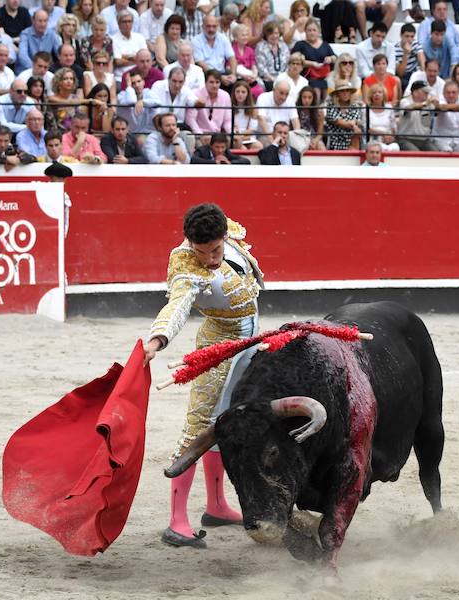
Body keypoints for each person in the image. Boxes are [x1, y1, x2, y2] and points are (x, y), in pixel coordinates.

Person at [144, 203, 261, 549]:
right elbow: (178, 305)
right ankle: (177, 522)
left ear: (224, 236)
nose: (209, 259)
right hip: (218, 347)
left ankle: (217, 506)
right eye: (201, 252)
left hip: (251, 343)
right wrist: (157, 339)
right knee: (197, 428)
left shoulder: (231, 232)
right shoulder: (184, 264)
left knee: (225, 424)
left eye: (215, 250)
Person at [291, 18, 335, 100]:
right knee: (316, 89)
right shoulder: (300, 44)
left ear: (318, 31)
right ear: (305, 32)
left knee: (327, 86)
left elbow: (334, 57)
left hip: (324, 75)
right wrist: (312, 64)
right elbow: (294, 59)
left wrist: (330, 59)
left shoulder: (325, 44)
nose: (312, 33)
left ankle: (324, 109)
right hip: (308, 75)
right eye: (309, 30)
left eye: (314, 30)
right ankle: (315, 110)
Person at [185, 69, 231, 140]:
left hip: (218, 136)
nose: (214, 85)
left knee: (237, 141)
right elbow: (190, 119)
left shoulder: (225, 96)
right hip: (199, 134)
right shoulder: (195, 94)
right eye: (211, 82)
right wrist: (200, 135)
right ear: (205, 82)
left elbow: (227, 120)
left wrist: (232, 133)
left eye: (217, 82)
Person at [432, 80, 459, 152]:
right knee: (447, 151)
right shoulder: (440, 99)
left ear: (458, 93)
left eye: (453, 92)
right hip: (442, 139)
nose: (451, 95)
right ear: (443, 93)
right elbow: (442, 107)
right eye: (448, 92)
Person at [397, 80, 439, 151]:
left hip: (424, 140)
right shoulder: (405, 101)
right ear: (415, 92)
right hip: (406, 139)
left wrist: (437, 104)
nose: (427, 94)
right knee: (415, 153)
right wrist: (425, 104)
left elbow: (437, 111)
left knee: (436, 153)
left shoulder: (428, 104)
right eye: (424, 91)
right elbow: (408, 108)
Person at [112, 9, 148, 83]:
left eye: (129, 21)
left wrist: (125, 57)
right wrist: (137, 60)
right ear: (118, 24)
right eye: (124, 22)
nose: (127, 24)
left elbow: (145, 58)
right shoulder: (113, 40)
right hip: (121, 78)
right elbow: (118, 62)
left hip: (140, 77)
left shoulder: (140, 37)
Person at [324, 81, 362, 150]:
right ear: (337, 94)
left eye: (347, 91)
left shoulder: (355, 106)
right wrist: (353, 126)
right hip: (335, 140)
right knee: (357, 130)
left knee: (358, 133)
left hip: (350, 140)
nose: (345, 93)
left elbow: (355, 121)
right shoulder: (331, 106)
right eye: (342, 91)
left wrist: (353, 125)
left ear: (350, 93)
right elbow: (337, 121)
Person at [255, 21, 289, 92]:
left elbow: (288, 65)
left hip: (283, 78)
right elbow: (261, 68)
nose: (274, 36)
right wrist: (273, 79)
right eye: (271, 33)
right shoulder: (260, 46)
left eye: (276, 33)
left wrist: (283, 78)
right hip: (268, 79)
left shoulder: (284, 46)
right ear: (266, 35)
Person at [43, 160, 72, 237]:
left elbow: (65, 218)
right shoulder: (42, 190)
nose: (62, 181)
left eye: (63, 179)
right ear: (51, 178)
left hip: (55, 231)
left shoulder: (64, 196)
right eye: (58, 178)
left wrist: (63, 234)